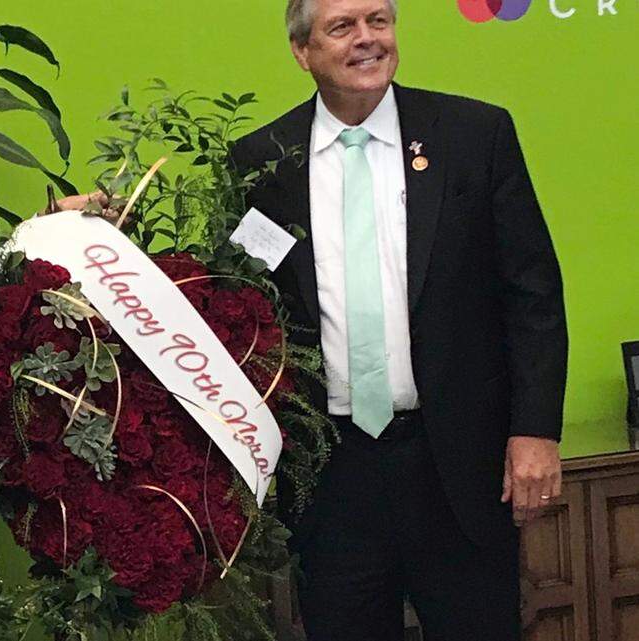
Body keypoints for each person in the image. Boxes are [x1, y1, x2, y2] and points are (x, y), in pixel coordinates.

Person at [226, 1, 568, 639]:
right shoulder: (258, 162)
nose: (367, 39)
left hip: (458, 466)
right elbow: (241, 307)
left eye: (378, 21)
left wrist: (535, 431)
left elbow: (533, 294)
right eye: (343, 27)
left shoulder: (473, 134)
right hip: (332, 475)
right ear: (303, 52)